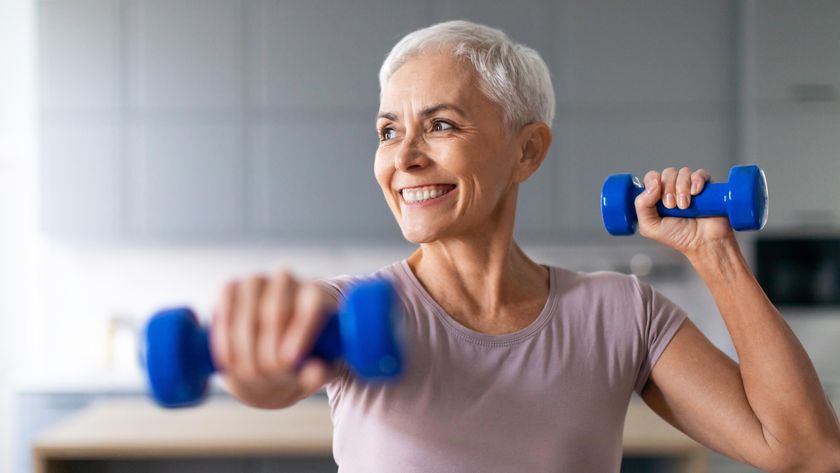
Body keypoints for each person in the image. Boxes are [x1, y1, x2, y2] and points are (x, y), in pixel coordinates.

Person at [209, 20, 840, 472]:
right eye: (388, 130)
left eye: (441, 124)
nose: (403, 157)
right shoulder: (354, 312)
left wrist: (713, 253)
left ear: (527, 150)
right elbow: (265, 379)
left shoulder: (621, 315)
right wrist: (255, 360)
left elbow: (806, 452)